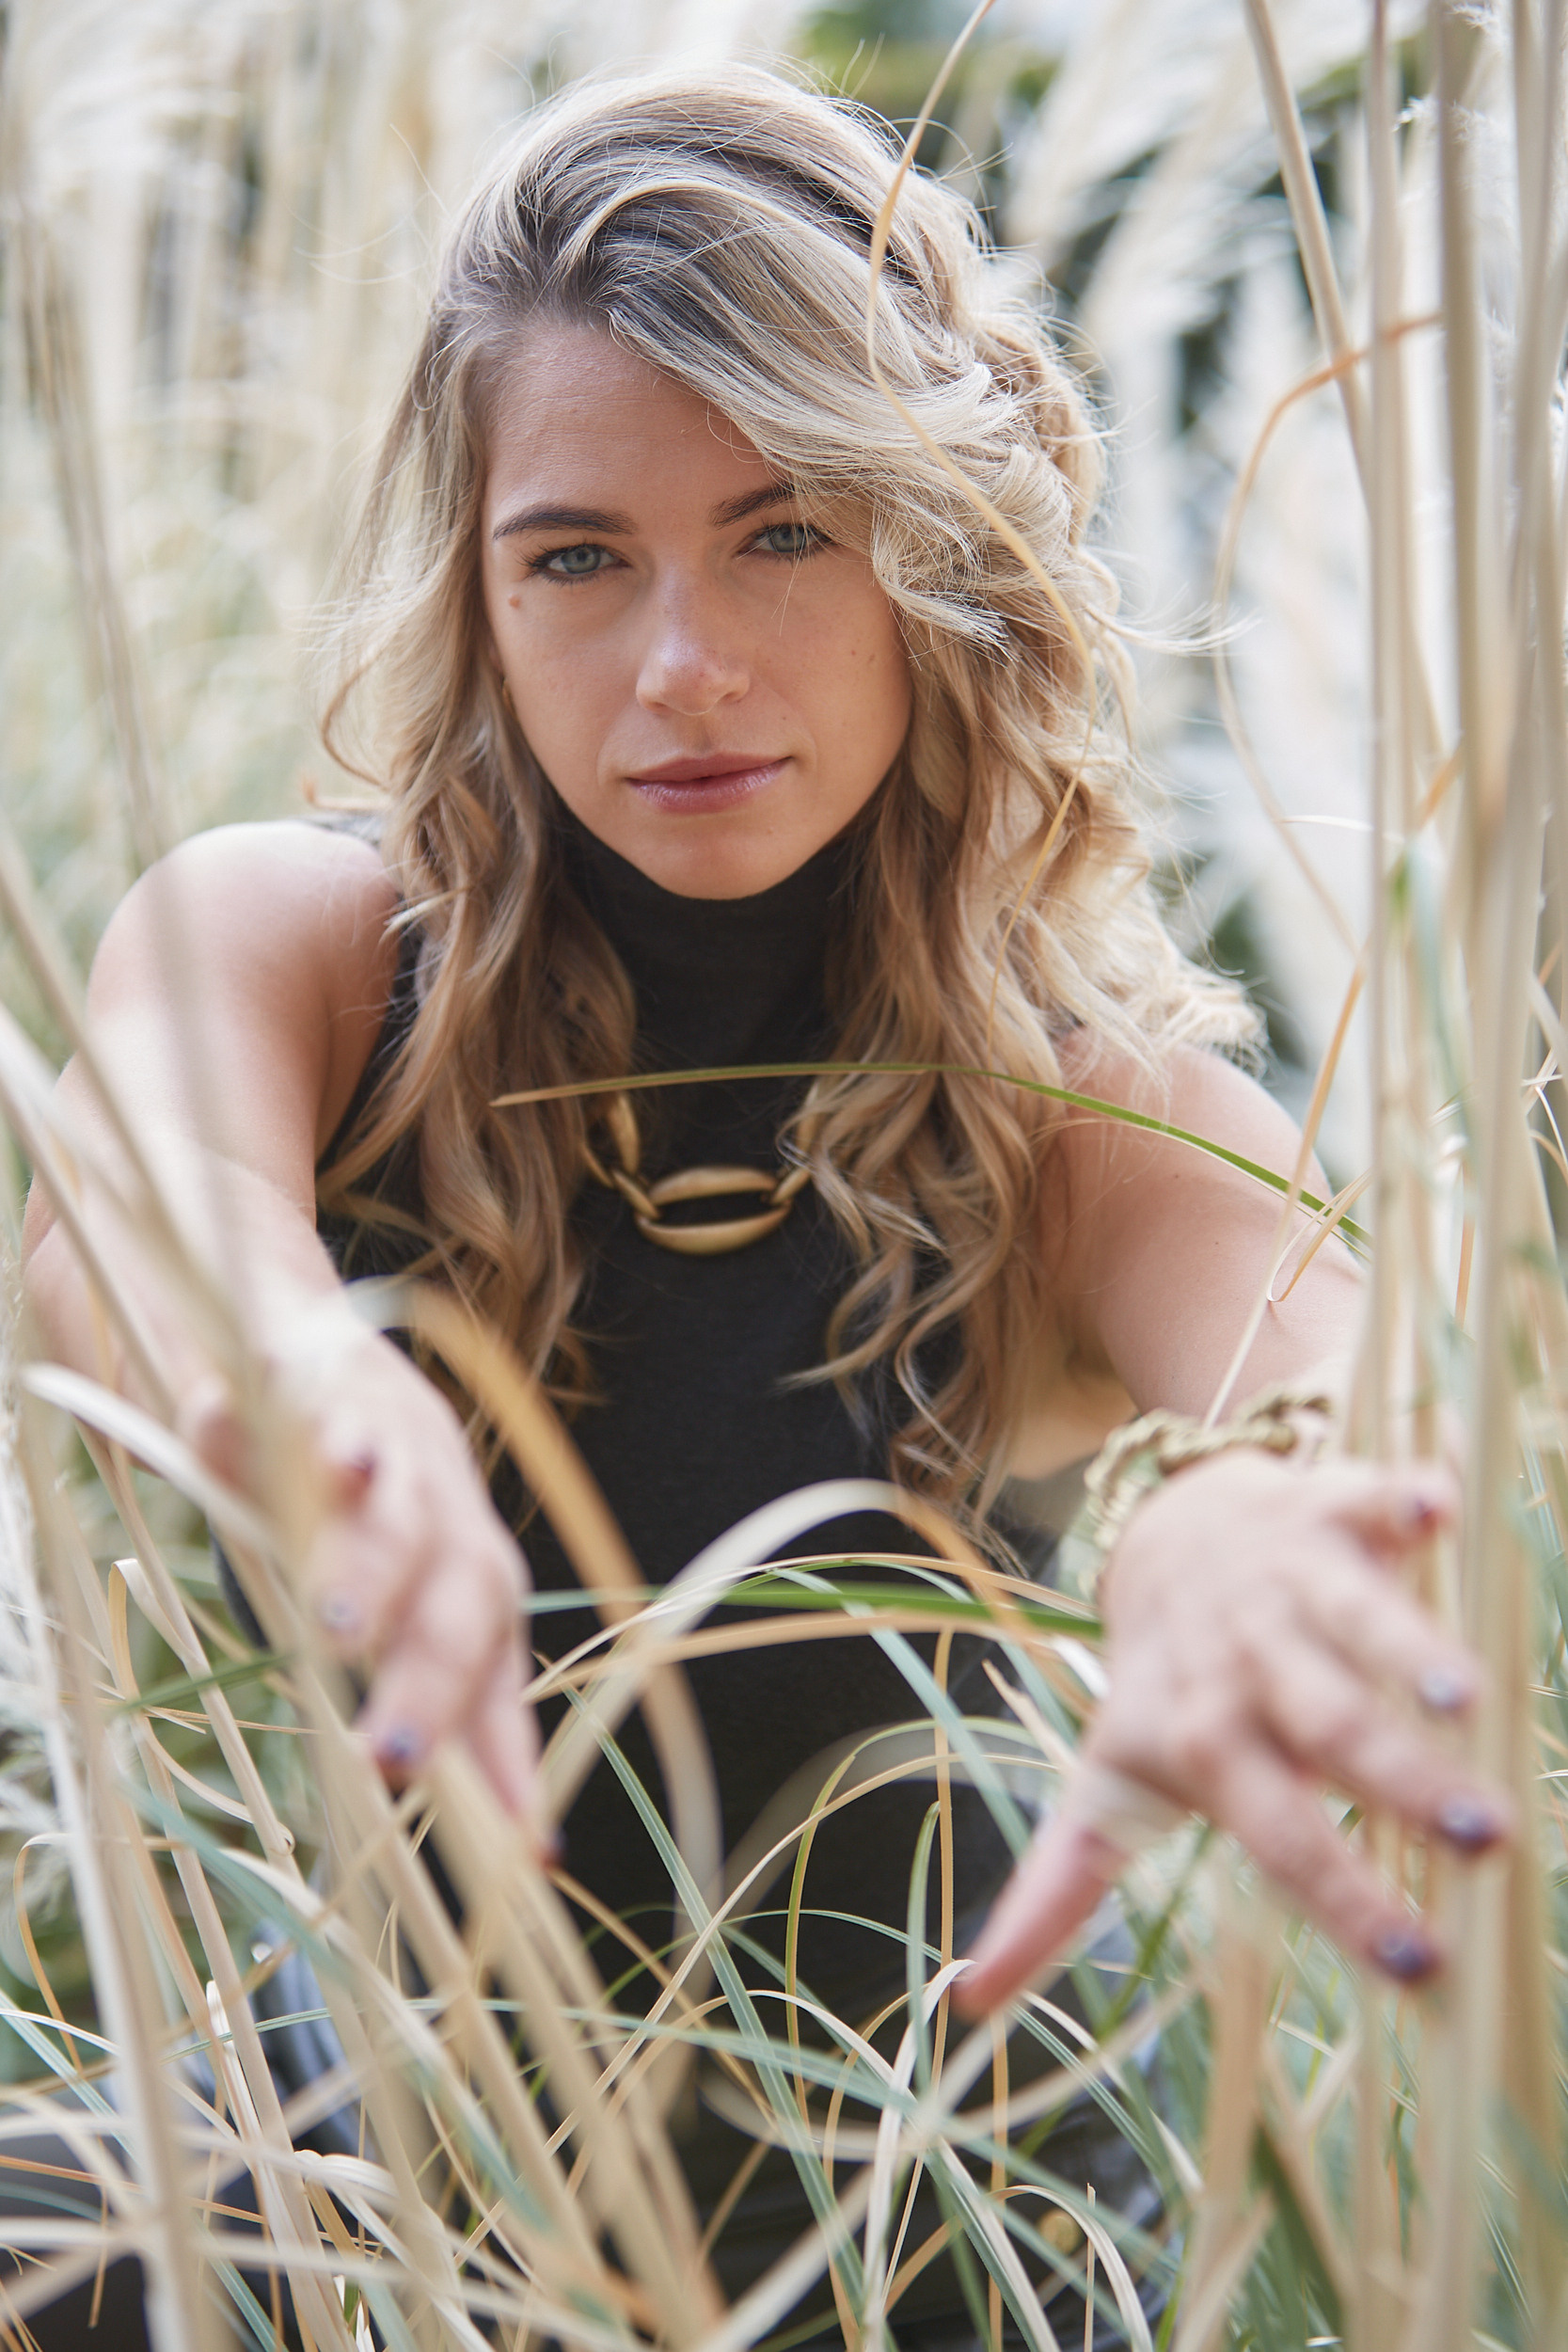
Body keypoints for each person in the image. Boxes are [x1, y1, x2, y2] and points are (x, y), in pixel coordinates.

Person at [16, 62, 1507, 2349]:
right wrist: (300, 1366)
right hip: (367, 2223)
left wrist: (1237, 1527)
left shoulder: (1085, 1114)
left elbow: (1327, 1379)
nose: (682, 665)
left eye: (785, 531)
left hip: (928, 2264)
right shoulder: (295, 950)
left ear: (935, 551)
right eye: (577, 557)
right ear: (480, 593)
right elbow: (141, 1211)